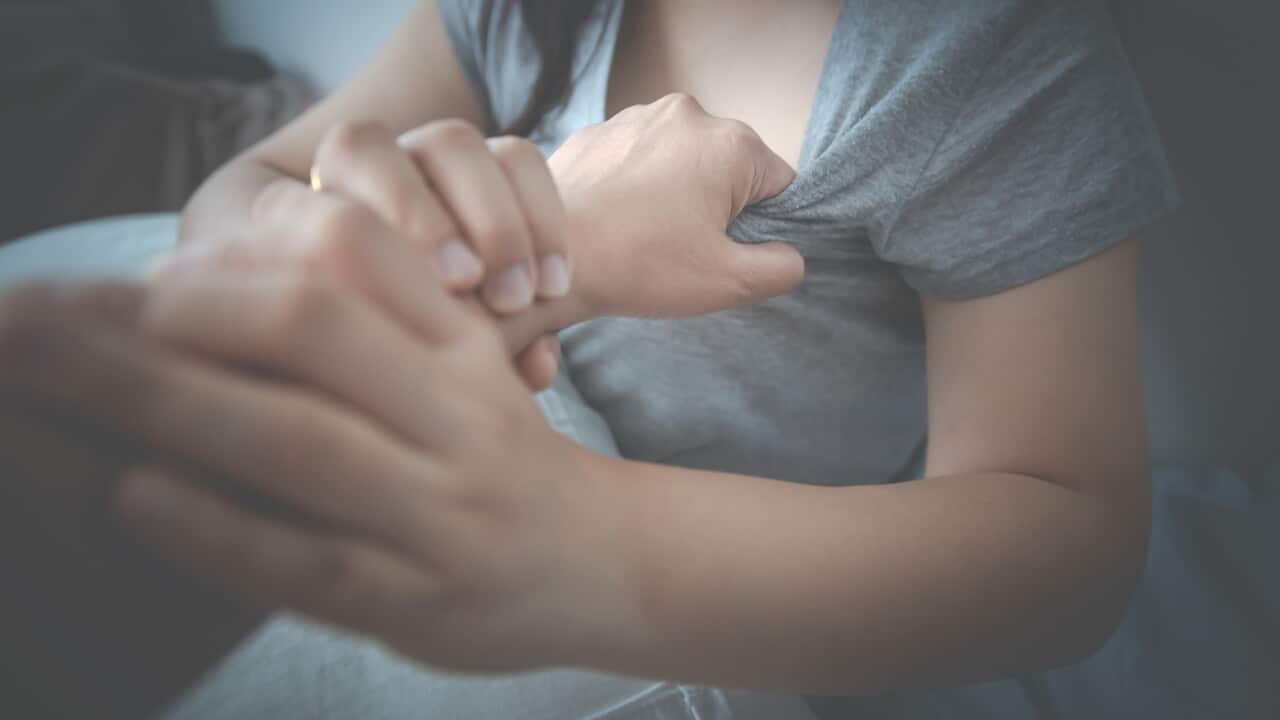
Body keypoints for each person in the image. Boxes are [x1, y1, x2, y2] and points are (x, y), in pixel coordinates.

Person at [0, 0, 1180, 716]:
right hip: (422, 434)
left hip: (670, 598)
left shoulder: (976, 57)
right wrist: (349, 242)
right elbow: (243, 188)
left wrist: (584, 547)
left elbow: (1065, 542)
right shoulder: (522, 10)